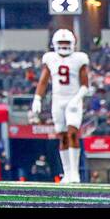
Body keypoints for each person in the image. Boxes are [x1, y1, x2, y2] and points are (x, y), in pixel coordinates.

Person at [31, 28, 90, 185]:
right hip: (58, 100)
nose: (64, 46)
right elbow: (43, 81)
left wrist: (76, 99)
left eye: (66, 43)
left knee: (72, 133)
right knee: (62, 136)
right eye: (61, 43)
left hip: (74, 100)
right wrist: (37, 98)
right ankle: (67, 173)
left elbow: (85, 85)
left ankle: (75, 173)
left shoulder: (79, 58)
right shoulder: (50, 59)